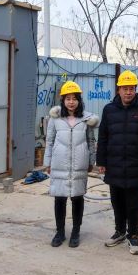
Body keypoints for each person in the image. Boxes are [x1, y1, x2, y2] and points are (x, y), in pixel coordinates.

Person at [97, 70, 138, 254]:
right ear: (119, 90)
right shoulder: (109, 109)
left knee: (134, 204)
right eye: (125, 88)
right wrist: (101, 161)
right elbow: (103, 136)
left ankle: (133, 235)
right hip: (114, 164)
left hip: (136, 165)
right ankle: (120, 231)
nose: (128, 92)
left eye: (131, 88)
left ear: (136, 89)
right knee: (117, 202)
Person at [43, 80, 99, 248]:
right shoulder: (55, 118)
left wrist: (91, 161)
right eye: (68, 98)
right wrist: (47, 162)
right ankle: (60, 232)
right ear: (63, 100)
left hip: (79, 164)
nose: (71, 102)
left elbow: (91, 141)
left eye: (74, 98)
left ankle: (75, 232)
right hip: (59, 163)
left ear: (79, 100)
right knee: (59, 199)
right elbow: (49, 141)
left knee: (77, 198)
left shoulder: (86, 119)